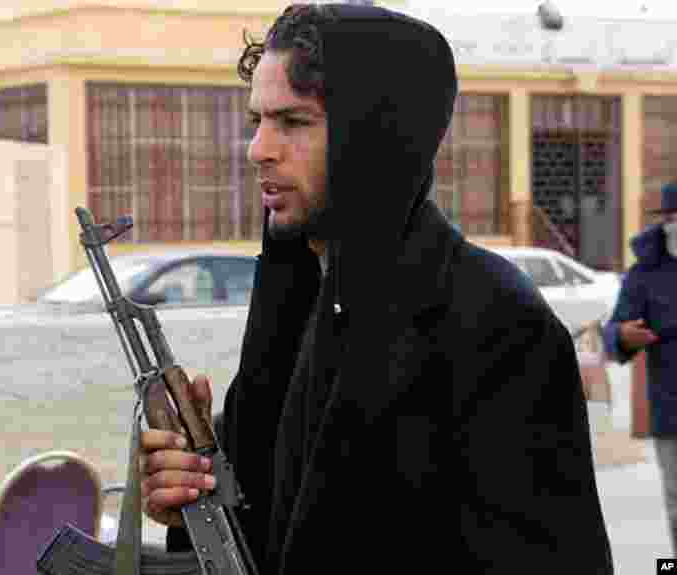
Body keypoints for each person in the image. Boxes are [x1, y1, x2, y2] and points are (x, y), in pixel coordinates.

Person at [139, 3, 613, 573]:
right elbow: (273, 533)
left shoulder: (498, 328)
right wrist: (195, 504)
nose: (258, 149)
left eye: (293, 123)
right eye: (257, 122)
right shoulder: (297, 312)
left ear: (375, 137)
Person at [604, 181, 677, 552]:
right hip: (672, 406)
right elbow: (615, 329)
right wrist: (622, 337)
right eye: (670, 216)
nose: (673, 223)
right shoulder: (646, 271)